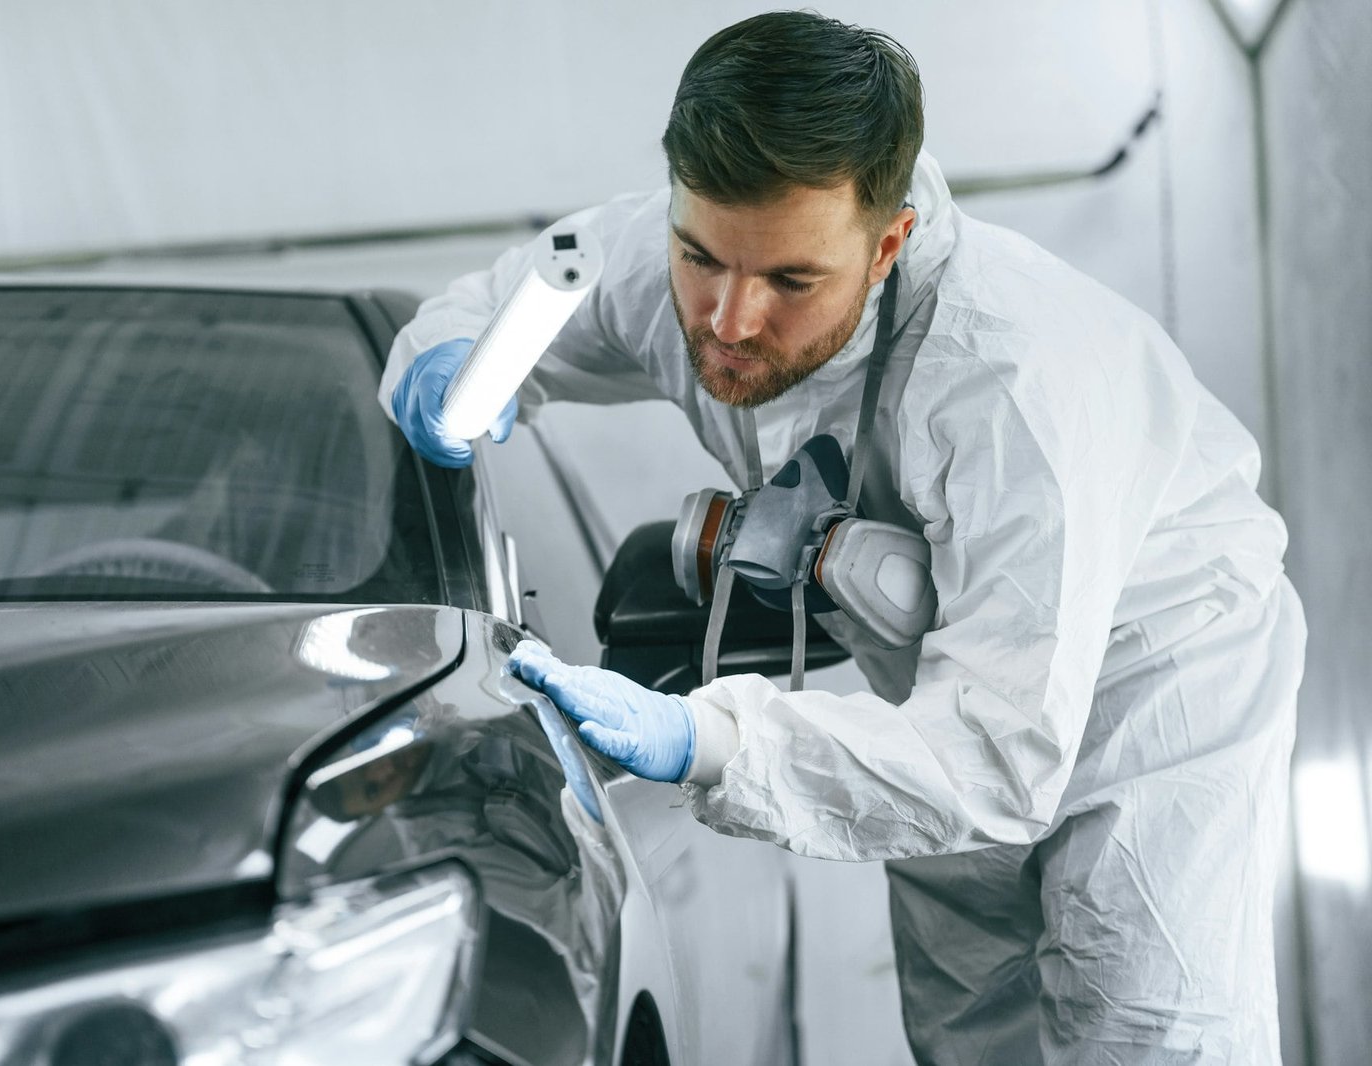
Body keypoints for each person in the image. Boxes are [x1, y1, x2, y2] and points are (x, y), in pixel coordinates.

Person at [378, 12, 1305, 1064]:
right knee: (968, 1024)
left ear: (890, 241)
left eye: (789, 282)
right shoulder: (670, 254)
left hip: (1156, 675)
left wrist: (709, 740)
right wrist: (449, 360)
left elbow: (998, 754)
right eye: (700, 255)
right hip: (940, 680)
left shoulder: (1010, 381)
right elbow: (510, 300)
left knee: (1144, 1027)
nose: (727, 318)